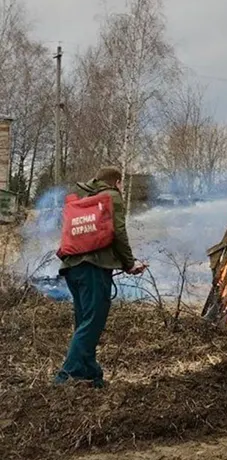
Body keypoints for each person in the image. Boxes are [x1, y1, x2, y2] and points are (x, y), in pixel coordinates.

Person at [54, 167, 146, 389]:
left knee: (84, 322)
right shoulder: (112, 197)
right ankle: (67, 375)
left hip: (72, 268)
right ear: (116, 182)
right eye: (121, 184)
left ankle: (91, 373)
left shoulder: (86, 197)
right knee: (92, 323)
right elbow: (119, 232)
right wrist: (130, 263)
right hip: (93, 269)